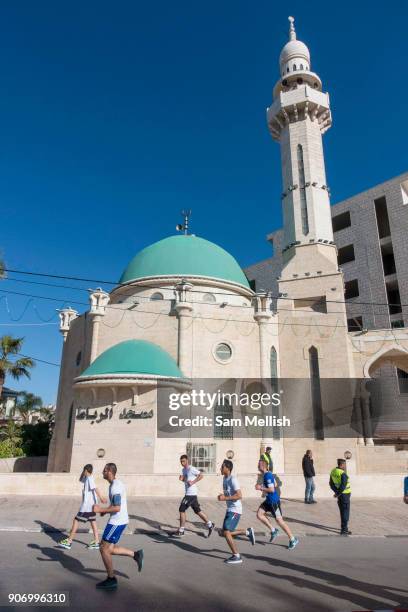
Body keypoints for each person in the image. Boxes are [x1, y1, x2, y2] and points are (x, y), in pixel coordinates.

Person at [92, 463, 144, 589]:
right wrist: (105, 511)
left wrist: (100, 510)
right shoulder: (114, 484)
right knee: (109, 549)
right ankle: (136, 555)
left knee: (103, 548)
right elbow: (114, 506)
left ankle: (111, 579)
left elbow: (117, 507)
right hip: (119, 520)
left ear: (110, 471)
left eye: (104, 470)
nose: (102, 472)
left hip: (117, 521)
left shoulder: (115, 487)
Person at [58, 464, 106, 550]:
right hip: (92, 505)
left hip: (87, 506)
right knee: (93, 521)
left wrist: (101, 497)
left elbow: (95, 488)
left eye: (84, 471)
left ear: (86, 471)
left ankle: (69, 542)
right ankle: (96, 541)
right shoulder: (87, 478)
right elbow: (80, 479)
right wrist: (83, 472)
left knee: (76, 520)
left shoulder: (90, 479)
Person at [217, 459, 255, 564]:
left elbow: (239, 495)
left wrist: (224, 498)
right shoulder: (225, 478)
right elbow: (228, 494)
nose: (220, 468)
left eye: (222, 467)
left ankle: (236, 556)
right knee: (223, 532)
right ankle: (247, 532)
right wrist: (222, 496)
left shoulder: (233, 479)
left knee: (226, 532)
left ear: (228, 469)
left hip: (235, 510)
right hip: (230, 509)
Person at [255, 459, 299, 550]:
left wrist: (261, 488)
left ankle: (293, 539)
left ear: (263, 466)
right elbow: (275, 484)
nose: (257, 467)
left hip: (274, 502)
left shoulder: (267, 476)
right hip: (268, 501)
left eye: (259, 465)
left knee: (280, 521)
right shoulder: (268, 474)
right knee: (259, 514)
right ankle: (273, 530)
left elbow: (272, 489)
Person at [174, 454, 215, 537]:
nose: (182, 463)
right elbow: (186, 480)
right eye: (181, 461)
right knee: (198, 511)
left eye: (184, 461)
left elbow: (201, 475)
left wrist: (193, 482)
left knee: (181, 509)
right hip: (189, 493)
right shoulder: (183, 470)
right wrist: (182, 480)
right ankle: (210, 525)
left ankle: (181, 530)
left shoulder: (191, 469)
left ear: (187, 461)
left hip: (191, 494)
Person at [329, 459, 351, 535]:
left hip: (340, 495)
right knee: (345, 512)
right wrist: (338, 493)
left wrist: (336, 492)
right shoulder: (342, 473)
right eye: (344, 464)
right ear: (341, 465)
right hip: (345, 495)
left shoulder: (333, 471)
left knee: (342, 512)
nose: (345, 466)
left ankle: (344, 528)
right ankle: (344, 530)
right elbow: (343, 485)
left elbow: (331, 484)